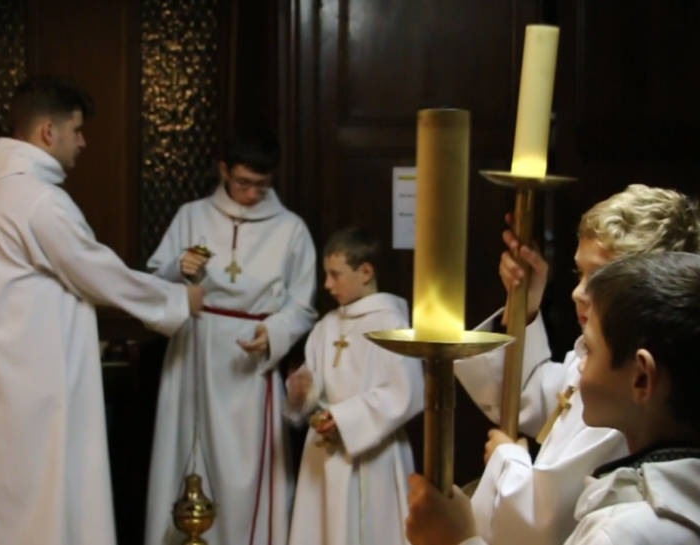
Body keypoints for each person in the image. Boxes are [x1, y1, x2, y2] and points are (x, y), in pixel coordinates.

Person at [0, 75, 199, 545]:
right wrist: (177, 299)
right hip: (33, 391)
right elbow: (94, 270)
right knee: (40, 504)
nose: (83, 142)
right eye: (77, 130)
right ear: (47, 132)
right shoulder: (37, 199)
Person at [449, 185, 700, 545]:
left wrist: (507, 460)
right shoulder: (599, 362)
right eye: (579, 273)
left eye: (598, 278)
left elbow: (544, 522)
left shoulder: (628, 400)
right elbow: (530, 395)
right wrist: (525, 306)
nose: (578, 292)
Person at [145, 128, 317, 545]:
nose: (252, 193)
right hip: (195, 350)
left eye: (262, 184)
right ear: (223, 170)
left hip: (250, 360)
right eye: (243, 182)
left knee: (246, 471)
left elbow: (303, 305)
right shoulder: (191, 216)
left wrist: (273, 332)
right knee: (185, 456)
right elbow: (153, 284)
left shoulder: (291, 228)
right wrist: (178, 269)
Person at [285, 226, 424, 545]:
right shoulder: (326, 326)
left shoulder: (392, 324)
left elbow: (406, 392)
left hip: (374, 454)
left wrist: (345, 419)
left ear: (365, 272)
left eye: (336, 275)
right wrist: (302, 392)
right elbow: (314, 386)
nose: (327, 285)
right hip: (323, 453)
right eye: (326, 274)